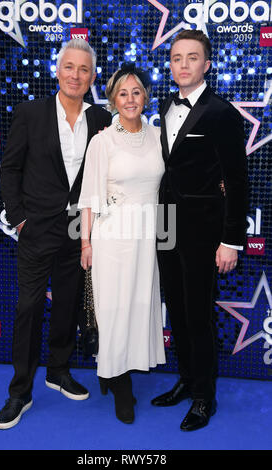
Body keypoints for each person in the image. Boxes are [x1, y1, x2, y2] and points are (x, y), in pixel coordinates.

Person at [0, 39, 112, 430]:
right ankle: (19, 391)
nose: (76, 75)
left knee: (67, 304)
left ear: (92, 77)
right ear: (56, 71)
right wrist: (19, 217)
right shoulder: (30, 113)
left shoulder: (100, 119)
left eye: (84, 69)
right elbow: (9, 169)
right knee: (28, 307)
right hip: (36, 229)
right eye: (69, 67)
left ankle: (58, 370)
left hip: (79, 231)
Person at [152, 30, 248, 431]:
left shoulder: (222, 112)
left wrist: (230, 239)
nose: (184, 64)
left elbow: (237, 180)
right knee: (175, 306)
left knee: (198, 313)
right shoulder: (163, 104)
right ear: (170, 64)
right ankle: (187, 380)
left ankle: (205, 397)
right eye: (177, 58)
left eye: (193, 58)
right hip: (165, 226)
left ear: (207, 64)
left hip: (204, 231)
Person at [78, 63, 166, 424]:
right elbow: (89, 197)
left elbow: (182, 173)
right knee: (114, 311)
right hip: (112, 237)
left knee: (139, 305)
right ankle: (119, 383)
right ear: (113, 99)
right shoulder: (102, 140)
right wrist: (85, 244)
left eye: (136, 92)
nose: (130, 99)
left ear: (145, 95)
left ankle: (114, 370)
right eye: (122, 93)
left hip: (148, 236)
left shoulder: (159, 135)